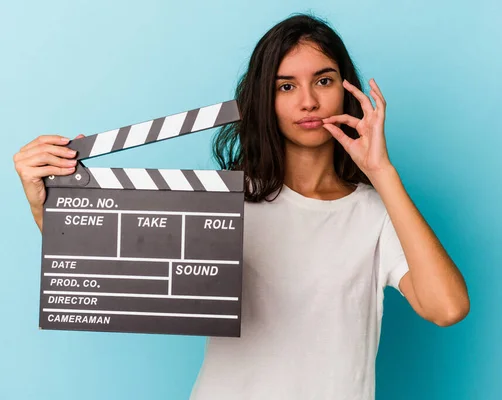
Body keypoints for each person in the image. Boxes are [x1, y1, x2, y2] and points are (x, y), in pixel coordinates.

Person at [13, 13, 469, 400]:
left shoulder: (375, 211)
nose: (308, 101)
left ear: (346, 89)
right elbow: (116, 276)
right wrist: (44, 206)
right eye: (285, 86)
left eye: (323, 81)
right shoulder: (221, 203)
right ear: (262, 101)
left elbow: (446, 308)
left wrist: (382, 172)